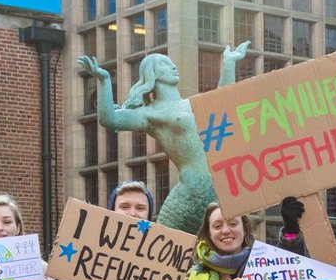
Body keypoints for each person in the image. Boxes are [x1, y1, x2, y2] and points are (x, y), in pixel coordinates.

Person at [77, 45, 247, 234]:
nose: (173, 67)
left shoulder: (191, 103)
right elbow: (109, 119)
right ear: (152, 74)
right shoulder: (150, 114)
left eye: (173, 63)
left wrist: (230, 62)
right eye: (166, 64)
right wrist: (105, 79)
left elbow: (222, 100)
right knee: (159, 250)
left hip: (218, 190)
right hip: (190, 193)